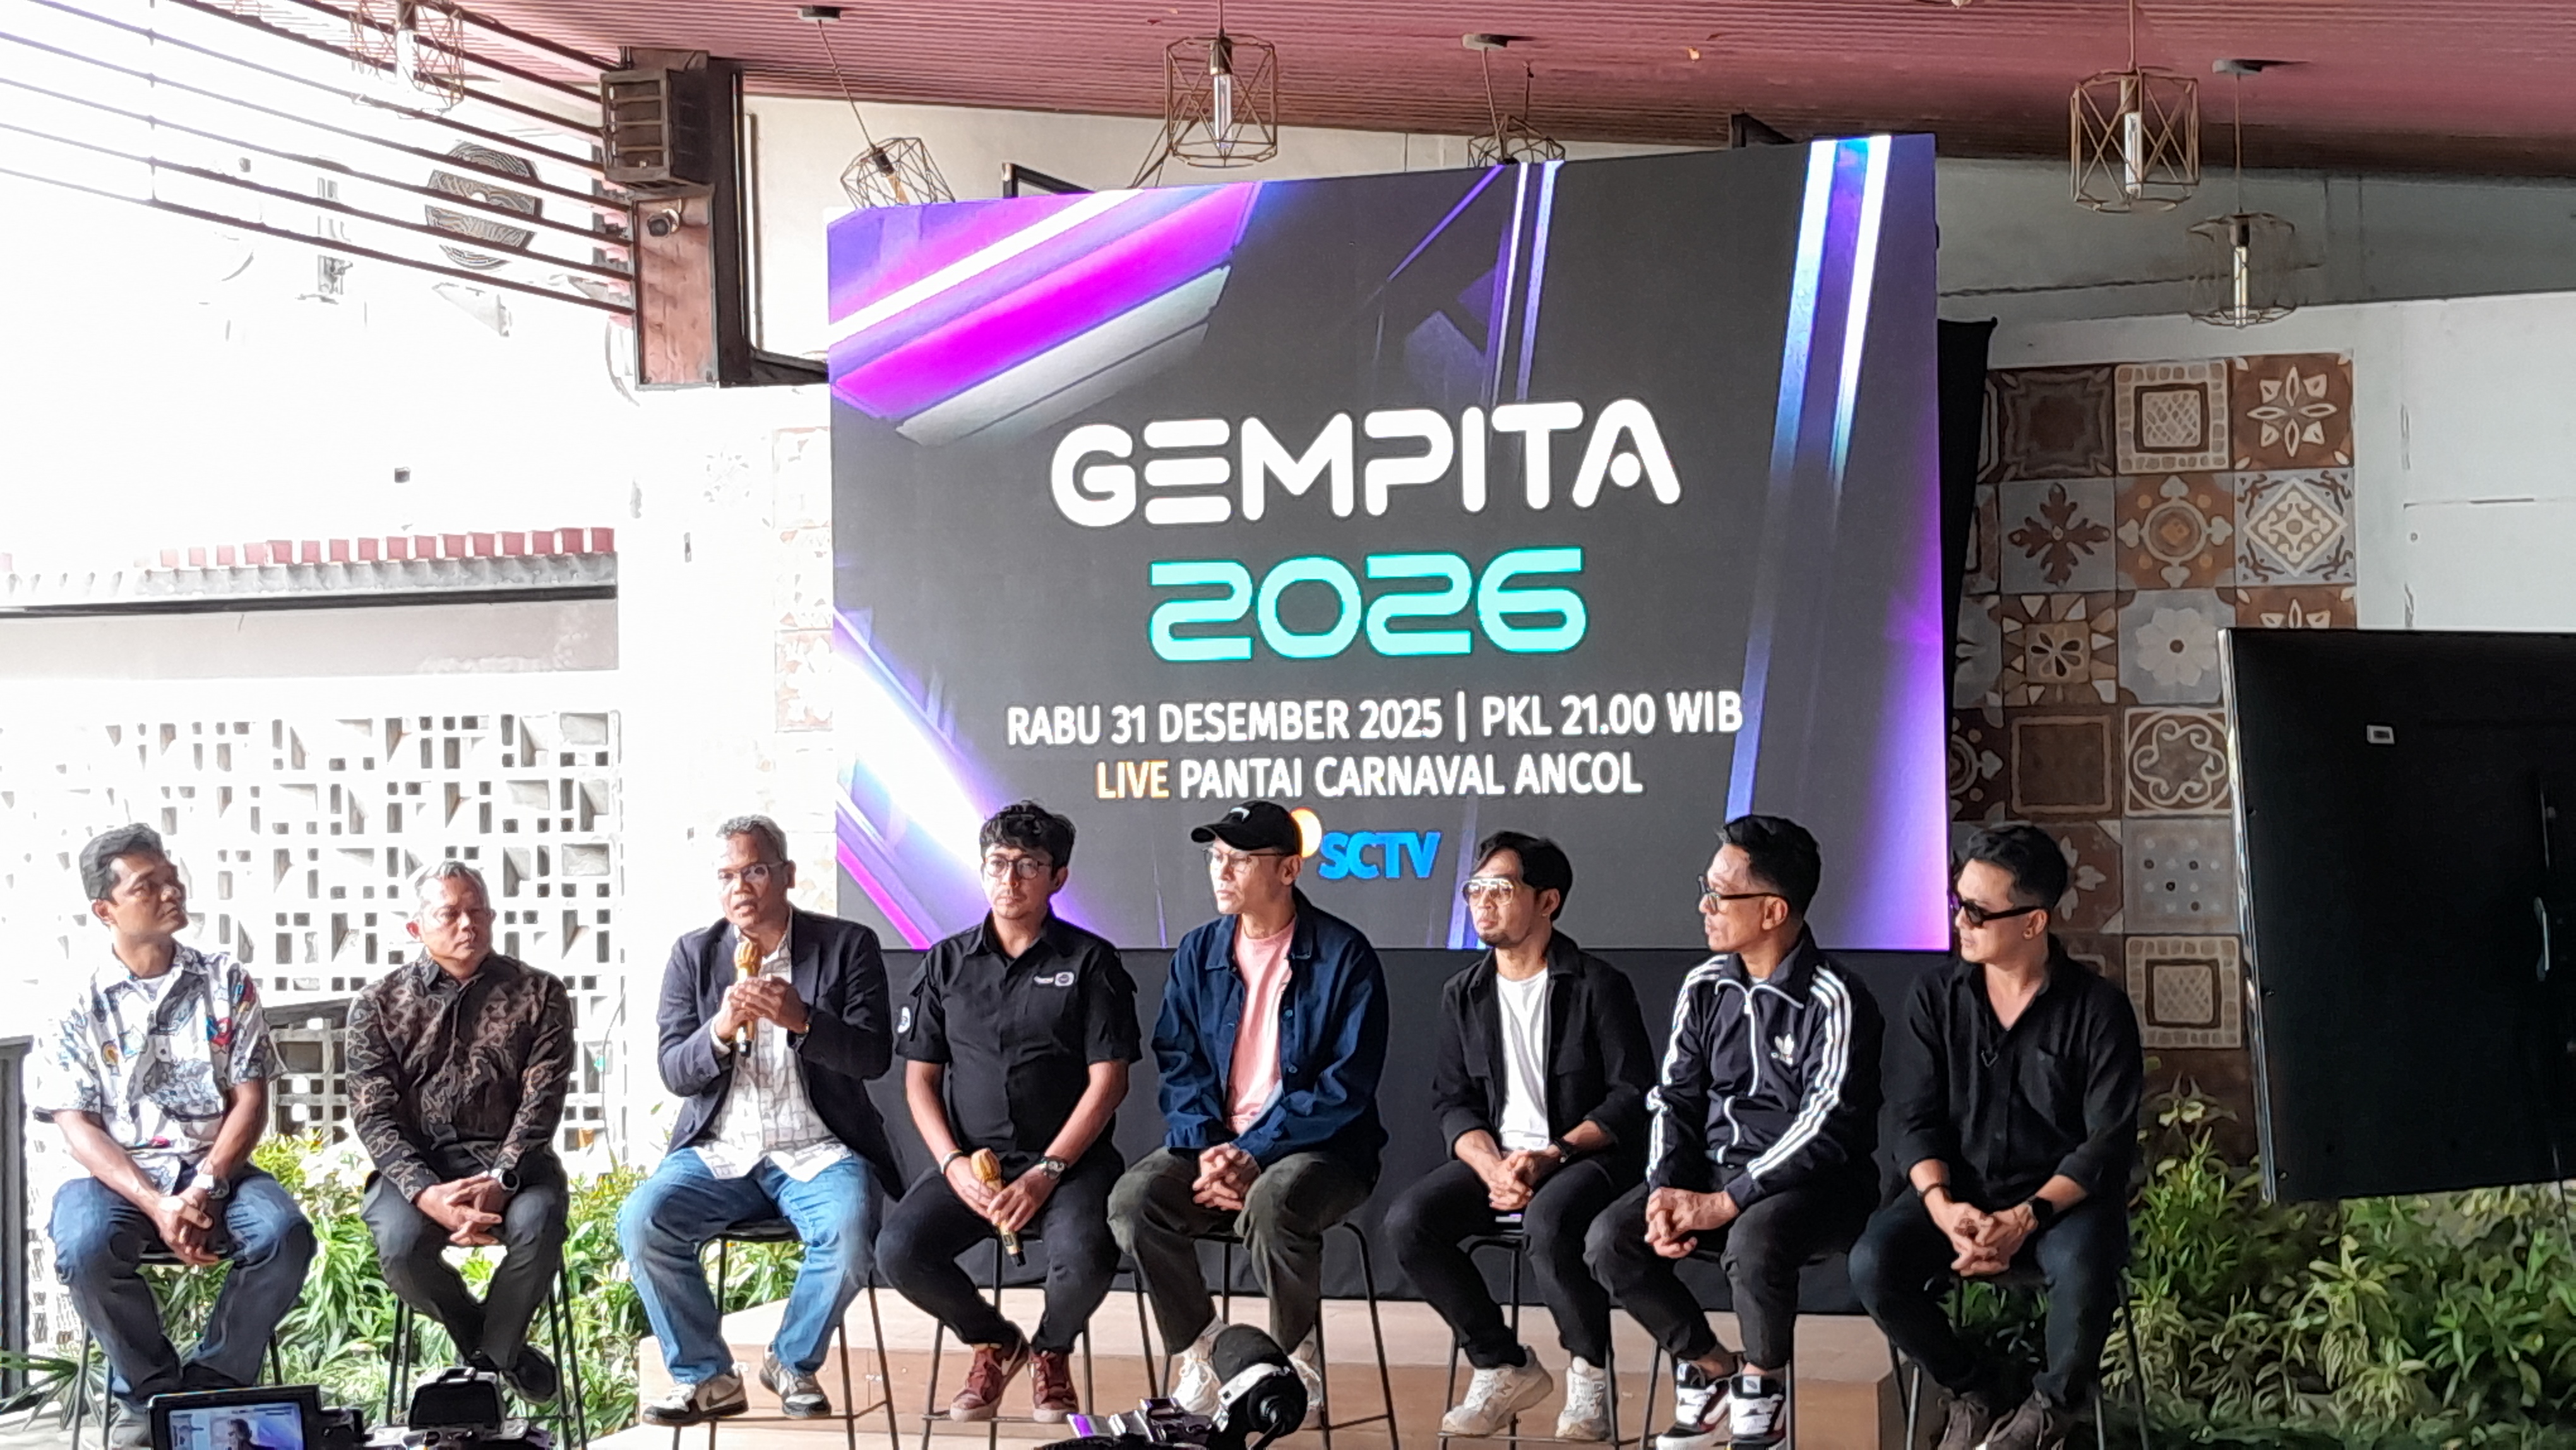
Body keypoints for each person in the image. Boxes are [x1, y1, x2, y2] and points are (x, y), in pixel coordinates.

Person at [1585, 815, 1883, 1450]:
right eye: (1707, 888)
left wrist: (1729, 1199)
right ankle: (1712, 1367)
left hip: (1816, 1187)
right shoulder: (1704, 986)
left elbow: (1824, 1124)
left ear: (1773, 910)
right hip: (1715, 1175)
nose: (1705, 906)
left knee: (1754, 1238)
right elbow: (1674, 1100)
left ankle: (1763, 1389)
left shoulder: (1836, 998)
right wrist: (1666, 1191)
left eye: (1720, 894)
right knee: (1611, 1238)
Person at [1848, 824, 2144, 1450]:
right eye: (1958, 903)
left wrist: (2026, 1217)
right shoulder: (1935, 997)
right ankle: (1977, 1387)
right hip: (1958, 1193)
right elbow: (1913, 1118)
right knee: (1874, 1262)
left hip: (2059, 1205)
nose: (1961, 922)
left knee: (2088, 1264)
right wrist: (1943, 1207)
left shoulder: (2098, 1009)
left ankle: (2050, 1413)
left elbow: (2107, 1142)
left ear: (2034, 923)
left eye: (1978, 911)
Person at [32, 825, 316, 1450]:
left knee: (284, 1234)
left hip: (213, 1166)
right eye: (148, 886)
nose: (171, 892)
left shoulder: (225, 979)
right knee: (85, 1247)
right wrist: (157, 1202)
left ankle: (212, 1385)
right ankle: (151, 1395)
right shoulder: (73, 999)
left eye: (172, 878)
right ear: (105, 910)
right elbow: (76, 1123)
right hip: (114, 1176)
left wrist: (205, 1185)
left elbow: (250, 1098)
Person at [1109, 800, 1389, 1420]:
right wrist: (1212, 1146)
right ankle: (1207, 1353)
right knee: (1135, 1201)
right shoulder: (1198, 951)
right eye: (1216, 858)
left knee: (1273, 1202)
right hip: (1216, 1145)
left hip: (1323, 1150)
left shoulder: (1344, 954)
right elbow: (1179, 1060)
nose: (1222, 871)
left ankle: (1294, 1358)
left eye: (1239, 859)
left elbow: (1345, 1087)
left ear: (1288, 869)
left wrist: (1253, 1153)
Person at [619, 815, 901, 1426]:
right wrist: (719, 1032)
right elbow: (674, 1071)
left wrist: (805, 1021)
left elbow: (874, 1056)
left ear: (787, 875)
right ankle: (707, 1376)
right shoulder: (694, 955)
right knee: (643, 1221)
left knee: (851, 1228)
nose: (739, 888)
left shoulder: (847, 945)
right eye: (726, 876)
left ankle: (791, 1361)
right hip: (723, 1150)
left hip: (818, 1146)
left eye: (754, 871)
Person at [1386, 832, 1655, 1441]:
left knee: (1550, 1221)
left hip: (1584, 1156)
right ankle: (1500, 1363)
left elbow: (1630, 1095)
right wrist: (1493, 1169)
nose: (1482, 902)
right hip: (1501, 1160)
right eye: (1475, 889)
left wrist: (1552, 1154)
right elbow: (1453, 1102)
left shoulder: (1597, 985)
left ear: (1547, 901)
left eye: (1501, 889)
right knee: (1409, 1223)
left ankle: (1588, 1375)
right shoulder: (1464, 993)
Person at [879, 802, 1140, 1423]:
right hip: (976, 1164)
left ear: (1058, 877)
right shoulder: (945, 962)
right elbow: (919, 1081)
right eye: (997, 863)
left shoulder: (1091, 961)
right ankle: (995, 1343)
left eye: (1028, 865)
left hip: (1070, 1166)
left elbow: (1109, 1082)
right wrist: (952, 1164)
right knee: (899, 1249)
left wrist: (1048, 1170)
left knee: (1088, 1254)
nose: (1010, 879)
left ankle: (1051, 1350)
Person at [347, 860, 575, 1401]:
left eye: (478, 912)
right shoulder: (376, 1006)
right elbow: (374, 1115)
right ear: (416, 927)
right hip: (416, 1168)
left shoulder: (539, 993)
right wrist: (427, 1194)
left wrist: (502, 1178)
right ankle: (496, 1351)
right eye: (449, 914)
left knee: (539, 1224)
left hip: (513, 1163)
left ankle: (487, 1365)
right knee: (401, 1248)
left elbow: (542, 1102)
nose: (468, 924)